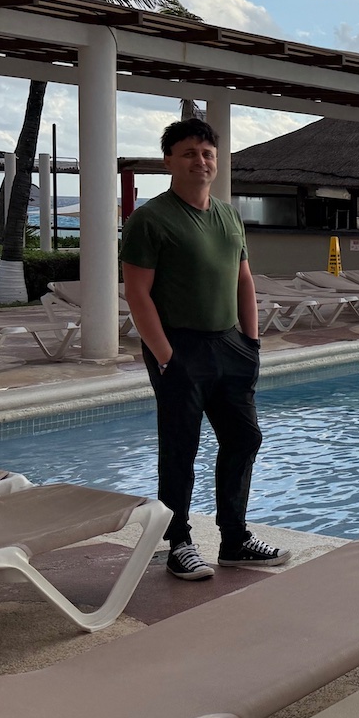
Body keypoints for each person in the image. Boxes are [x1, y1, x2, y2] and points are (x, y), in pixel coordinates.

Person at [121, 117, 286, 580]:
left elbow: (244, 279)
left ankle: (234, 539)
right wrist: (166, 355)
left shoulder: (228, 215)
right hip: (179, 347)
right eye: (190, 153)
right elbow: (137, 294)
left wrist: (251, 341)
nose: (201, 160)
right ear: (169, 161)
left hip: (230, 344)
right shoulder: (150, 219)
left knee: (244, 437)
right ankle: (178, 541)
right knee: (181, 449)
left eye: (208, 153)